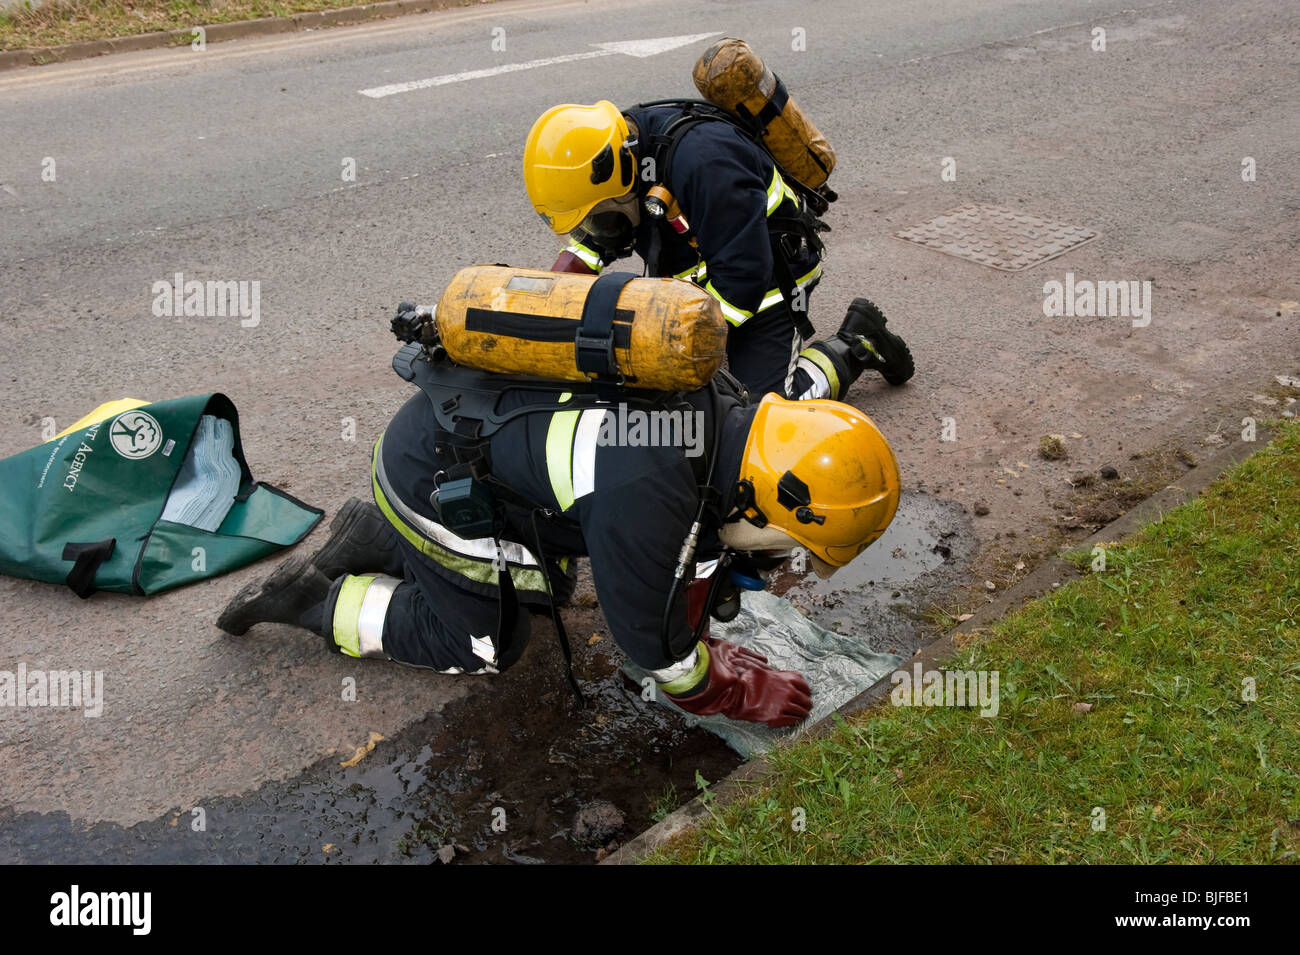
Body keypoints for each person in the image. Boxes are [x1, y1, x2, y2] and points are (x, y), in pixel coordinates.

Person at [218, 345, 901, 730]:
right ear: (767, 500)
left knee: (549, 586)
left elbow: (701, 548)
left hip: (447, 441)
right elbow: (657, 657)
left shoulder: (720, 402)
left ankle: (377, 532)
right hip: (427, 478)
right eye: (787, 543)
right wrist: (733, 689)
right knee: (491, 643)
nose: (781, 562)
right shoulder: (650, 503)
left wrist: (703, 604)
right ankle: (315, 602)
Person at [523, 100, 913, 398]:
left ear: (621, 174)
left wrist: (670, 341)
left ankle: (857, 343)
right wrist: (542, 314)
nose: (598, 229)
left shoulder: (708, 163)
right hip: (708, 266)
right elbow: (595, 241)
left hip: (769, 282)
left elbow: (743, 279)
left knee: (756, 416)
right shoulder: (616, 151)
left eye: (601, 218)